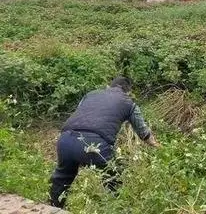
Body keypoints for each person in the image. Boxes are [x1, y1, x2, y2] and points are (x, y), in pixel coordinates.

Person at [49, 77, 159, 208]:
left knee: (62, 178)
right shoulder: (129, 103)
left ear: (108, 86)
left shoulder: (90, 95)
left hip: (65, 139)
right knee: (114, 179)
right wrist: (158, 146)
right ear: (128, 92)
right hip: (95, 143)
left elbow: (80, 112)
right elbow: (144, 133)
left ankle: (52, 208)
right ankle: (115, 209)